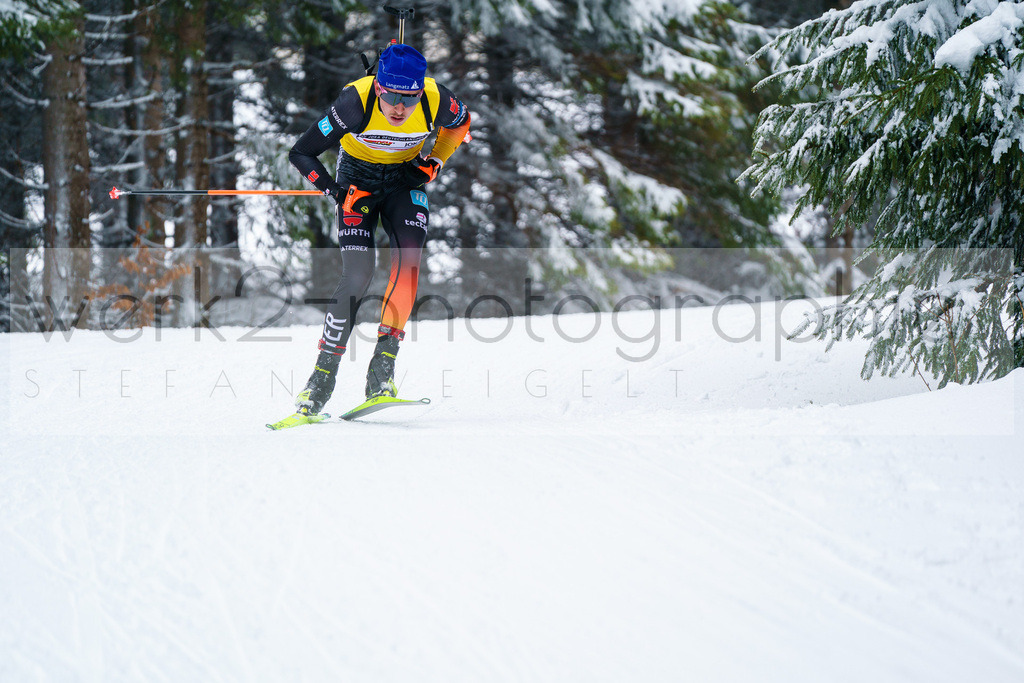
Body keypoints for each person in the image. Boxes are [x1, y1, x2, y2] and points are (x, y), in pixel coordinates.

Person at [288, 43, 471, 415]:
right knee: (358, 275)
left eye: (410, 97)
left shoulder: (436, 99)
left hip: (405, 183)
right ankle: (321, 379)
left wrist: (435, 160)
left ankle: (381, 372)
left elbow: (461, 125)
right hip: (357, 181)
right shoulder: (354, 104)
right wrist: (336, 192)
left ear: (421, 90)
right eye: (391, 98)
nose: (400, 108)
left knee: (409, 260)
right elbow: (301, 152)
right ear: (378, 88)